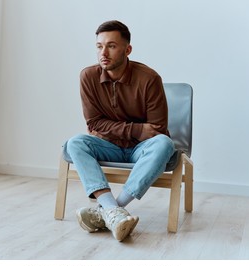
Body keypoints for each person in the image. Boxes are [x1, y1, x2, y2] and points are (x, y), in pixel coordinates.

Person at [64, 20, 175, 242]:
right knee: (75, 143)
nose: (103, 52)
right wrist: (136, 129)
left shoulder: (149, 78)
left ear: (127, 49)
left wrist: (116, 130)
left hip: (140, 150)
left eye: (111, 46)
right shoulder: (88, 77)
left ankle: (111, 209)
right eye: (99, 46)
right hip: (109, 147)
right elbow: (94, 123)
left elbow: (157, 129)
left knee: (165, 144)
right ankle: (114, 212)